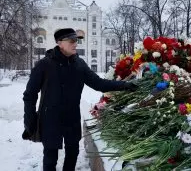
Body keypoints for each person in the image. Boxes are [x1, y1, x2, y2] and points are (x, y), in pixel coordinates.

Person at [22, 28, 138, 171]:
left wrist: (125, 85)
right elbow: (29, 95)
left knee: (73, 153)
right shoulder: (44, 65)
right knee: (50, 157)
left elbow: (99, 83)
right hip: (50, 118)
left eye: (76, 40)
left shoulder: (79, 64)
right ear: (60, 43)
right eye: (71, 41)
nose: (75, 44)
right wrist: (30, 120)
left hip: (71, 117)